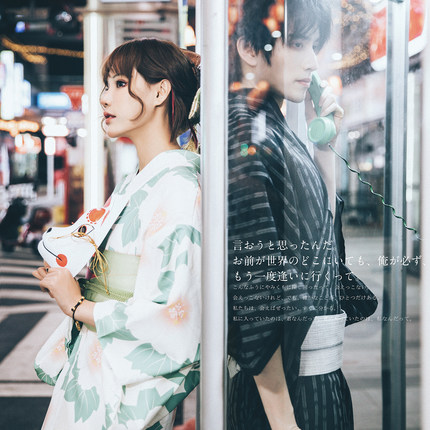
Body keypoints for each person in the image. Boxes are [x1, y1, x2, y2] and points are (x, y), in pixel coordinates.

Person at [32, 38, 201, 430]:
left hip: (115, 378)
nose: (105, 97)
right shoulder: (140, 180)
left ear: (161, 91)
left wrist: (79, 306)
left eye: (121, 84)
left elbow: (175, 312)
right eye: (107, 84)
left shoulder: (178, 187)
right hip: (99, 357)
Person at [227, 1, 354, 429]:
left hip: (309, 381)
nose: (313, 61)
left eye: (314, 45)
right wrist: (284, 421)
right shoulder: (244, 128)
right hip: (286, 395)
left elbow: (319, 234)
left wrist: (323, 147)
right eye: (297, 44)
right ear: (248, 47)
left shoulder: (270, 124)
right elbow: (257, 285)